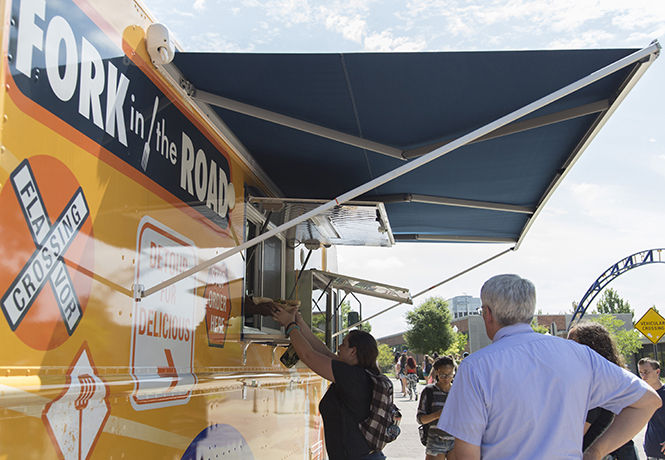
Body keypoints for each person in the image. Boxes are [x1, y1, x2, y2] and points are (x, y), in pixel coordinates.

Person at [436, 274, 661, 460]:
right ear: (530, 313)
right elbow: (648, 401)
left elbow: (466, 453)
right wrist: (596, 451)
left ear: (487, 314)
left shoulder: (475, 367)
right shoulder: (580, 356)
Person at [272, 306, 387, 460]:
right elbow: (323, 352)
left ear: (353, 352)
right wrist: (299, 322)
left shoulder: (351, 377)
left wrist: (289, 325)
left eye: (344, 344)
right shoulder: (361, 374)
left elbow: (309, 356)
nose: (339, 347)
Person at [568, 322, 639, 459]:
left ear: (590, 347)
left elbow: (571, 437)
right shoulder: (613, 379)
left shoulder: (595, 385)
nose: (568, 347)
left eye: (572, 343)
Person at [417, 356, 457, 460]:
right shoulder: (429, 391)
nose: (447, 378)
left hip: (457, 441)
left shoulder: (459, 391)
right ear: (437, 373)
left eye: (450, 374)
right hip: (435, 441)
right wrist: (437, 415)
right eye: (443, 375)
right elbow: (420, 419)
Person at [638, 357, 665, 459]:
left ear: (657, 372)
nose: (643, 376)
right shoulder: (643, 393)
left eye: (646, 372)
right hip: (651, 452)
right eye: (641, 373)